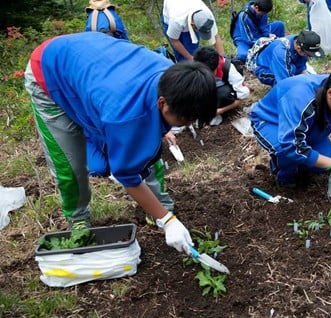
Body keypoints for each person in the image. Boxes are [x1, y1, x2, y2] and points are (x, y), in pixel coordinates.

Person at [24, 32, 218, 256]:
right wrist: (167, 220)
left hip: (93, 68)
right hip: (50, 73)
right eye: (185, 119)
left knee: (146, 143)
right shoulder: (124, 116)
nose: (187, 124)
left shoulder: (176, 78)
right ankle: (78, 219)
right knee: (71, 165)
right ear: (162, 102)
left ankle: (158, 200)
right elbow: (126, 175)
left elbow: (149, 139)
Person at [249, 65, 331, 188]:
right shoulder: (300, 97)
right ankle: (284, 176)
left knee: (323, 162)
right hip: (271, 120)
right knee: (286, 153)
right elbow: (291, 145)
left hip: (307, 125)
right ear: (330, 93)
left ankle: (302, 162)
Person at [193, 47, 251, 122]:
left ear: (216, 67)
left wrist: (221, 110)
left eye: (209, 74)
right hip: (210, 89)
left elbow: (242, 97)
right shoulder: (198, 66)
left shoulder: (229, 70)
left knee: (224, 93)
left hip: (223, 90)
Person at [250, 30, 324, 87]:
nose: (308, 57)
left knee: (303, 75)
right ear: (298, 48)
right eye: (308, 54)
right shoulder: (281, 52)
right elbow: (284, 82)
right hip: (263, 69)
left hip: (285, 63)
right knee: (291, 77)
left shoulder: (299, 41)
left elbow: (301, 68)